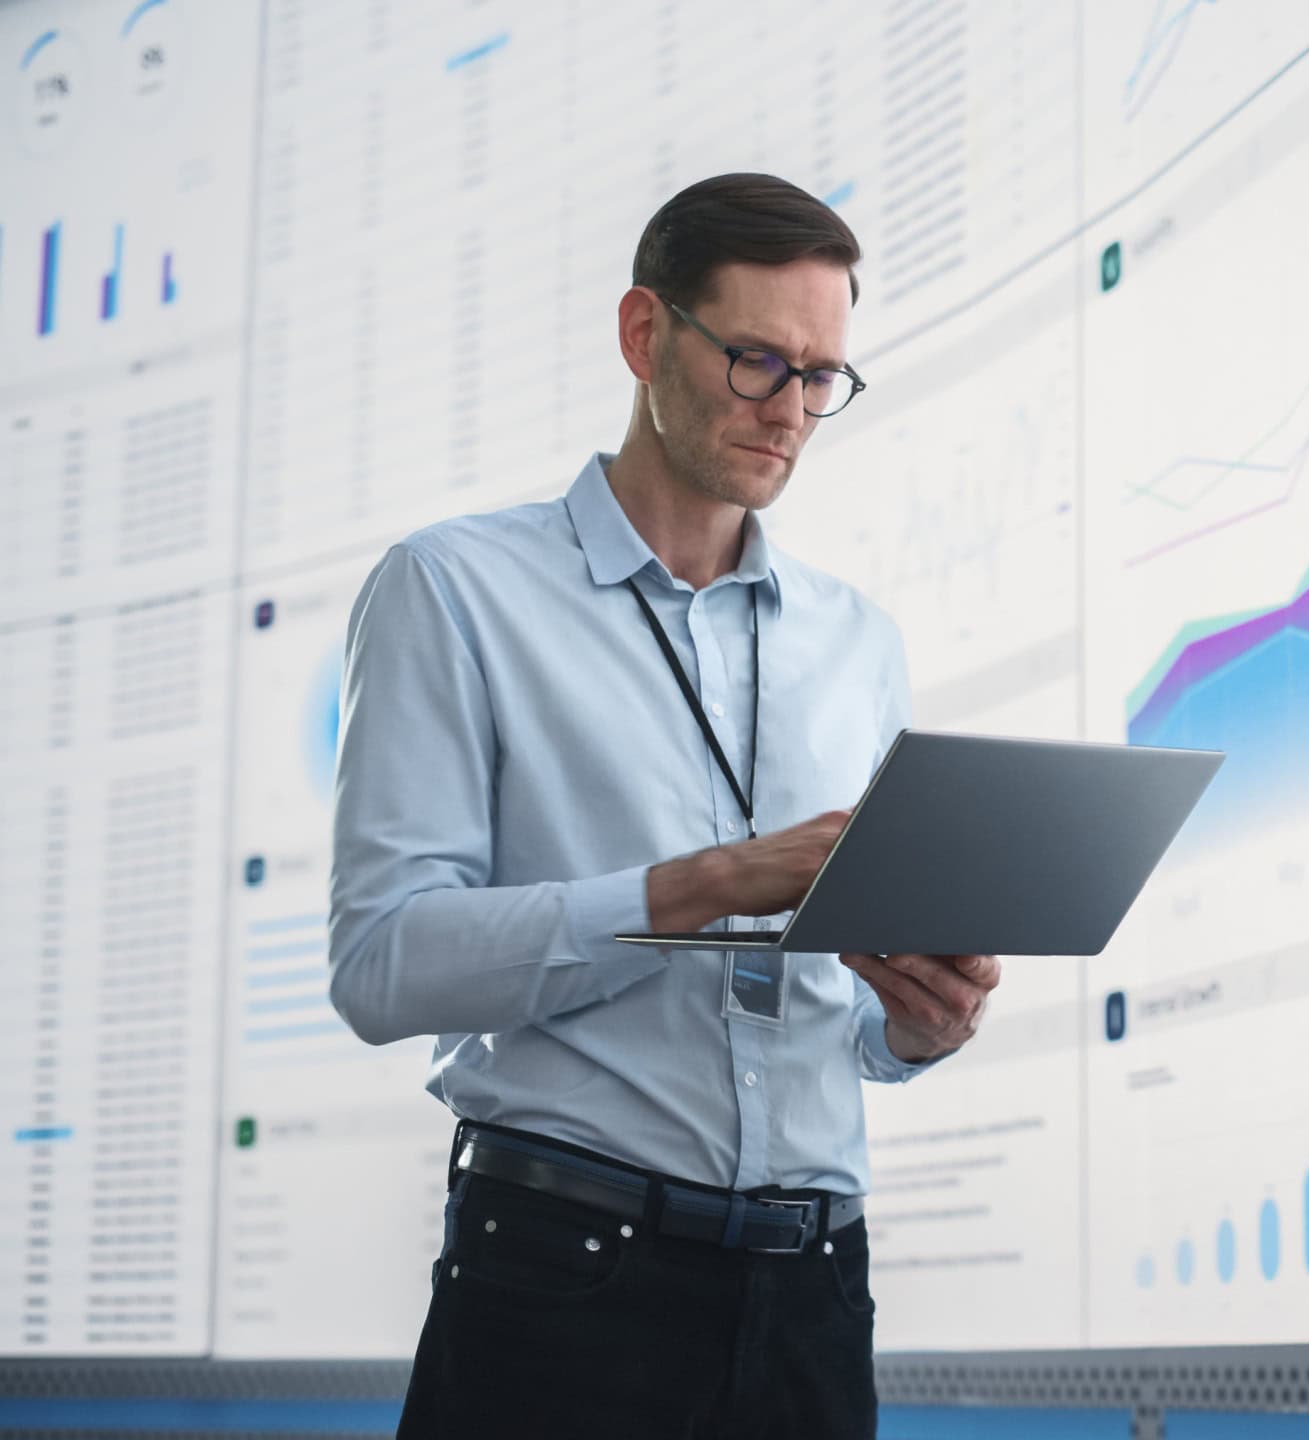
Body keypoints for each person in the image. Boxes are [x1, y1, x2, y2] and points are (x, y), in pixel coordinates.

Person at [327, 172, 1000, 1439]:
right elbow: (380, 965)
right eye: (757, 361)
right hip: (565, 1281)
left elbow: (845, 1021)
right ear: (645, 336)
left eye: (820, 377)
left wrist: (913, 1023)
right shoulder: (455, 591)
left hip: (814, 1291)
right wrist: (710, 883)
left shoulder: (859, 643)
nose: (791, 411)